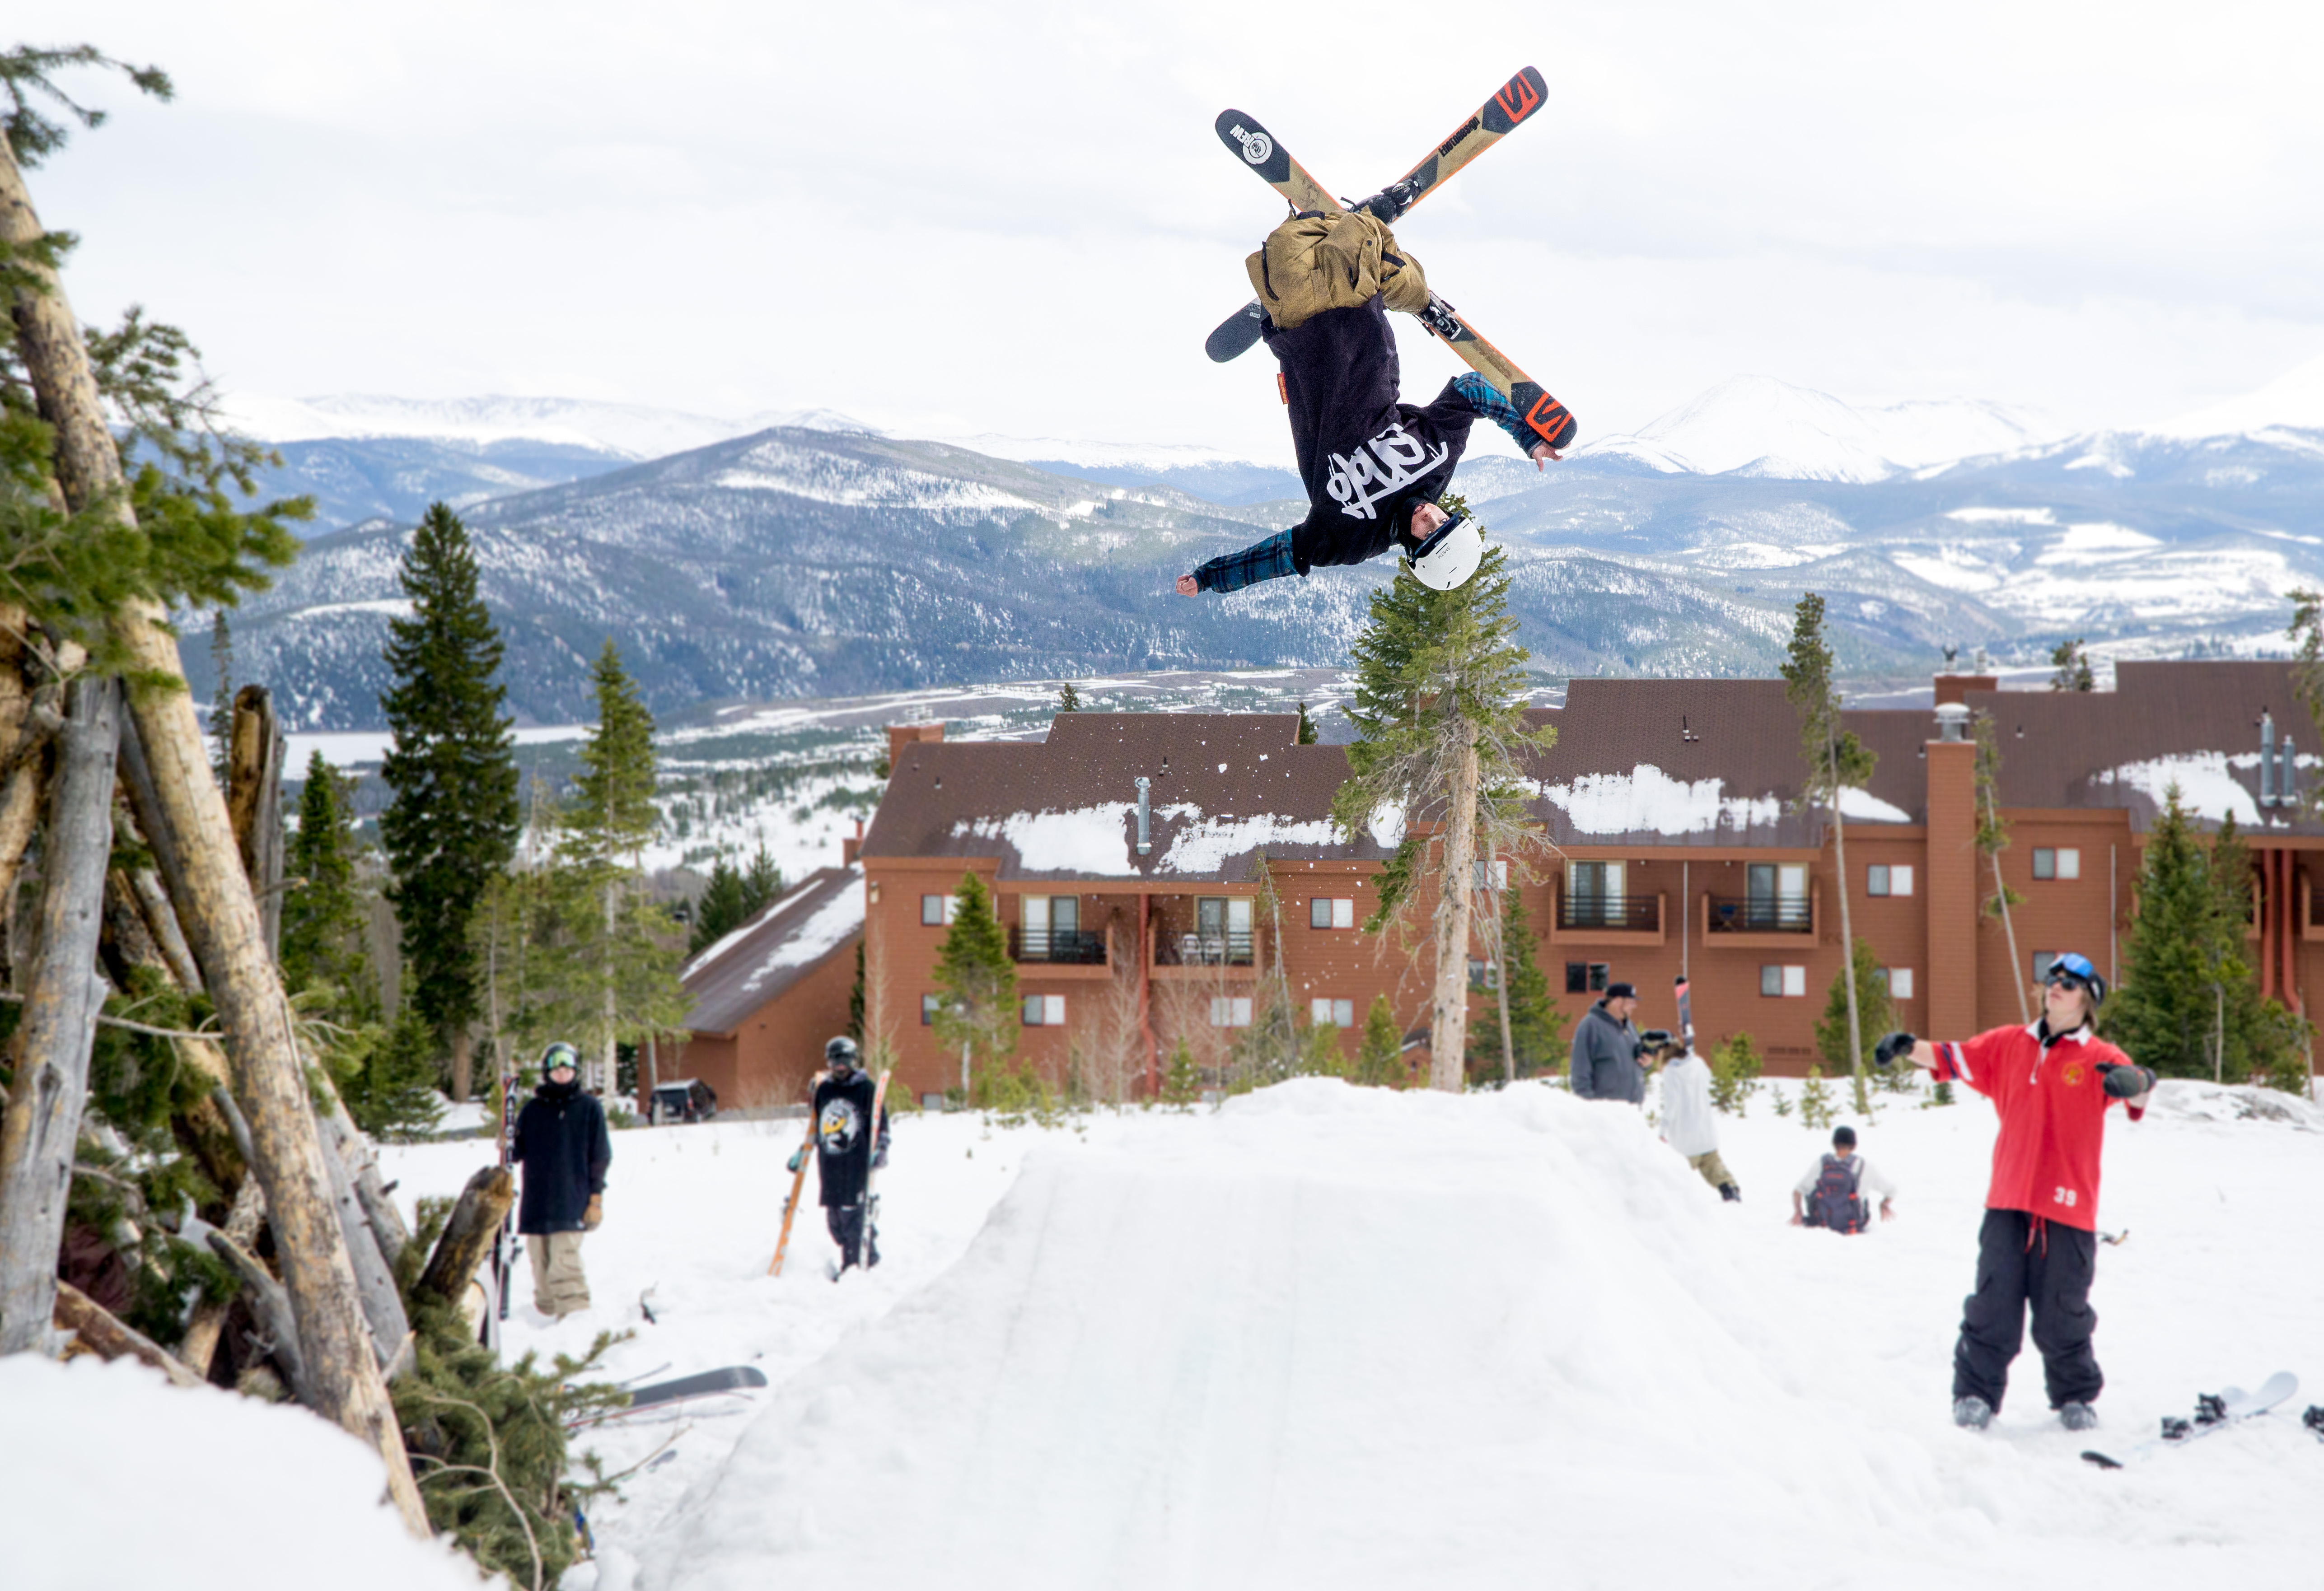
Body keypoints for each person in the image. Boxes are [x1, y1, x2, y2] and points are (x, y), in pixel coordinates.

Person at [1176, 208, 1573, 600]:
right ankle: (1390, 258)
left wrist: (1210, 578)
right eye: (1444, 520)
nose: (1430, 518)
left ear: (1414, 550)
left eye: (1428, 533)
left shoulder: (1350, 540)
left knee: (1284, 247)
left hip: (1299, 335)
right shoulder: (1437, 463)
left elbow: (1282, 556)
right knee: (1354, 235)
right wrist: (1527, 436)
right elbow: (1472, 390)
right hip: (1360, 309)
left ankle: (1367, 246)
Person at [1876, 951, 2156, 1433]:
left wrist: (2140, 1082)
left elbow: (2138, 1092)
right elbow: (1950, 1056)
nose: (2057, 987)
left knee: (2063, 1314)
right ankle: (1974, 1395)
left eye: (2070, 983)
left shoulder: (2100, 1057)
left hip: (2068, 1208)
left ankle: (2074, 1396)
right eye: (2053, 979)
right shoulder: (2008, 1044)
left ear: (2088, 1000)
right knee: (1992, 1305)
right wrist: (1907, 1045)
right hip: (2008, 1201)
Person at [511, 1041, 611, 1320]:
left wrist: (595, 1199)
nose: (563, 1072)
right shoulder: (533, 1110)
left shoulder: (589, 1108)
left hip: (571, 1200)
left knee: (564, 1265)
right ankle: (545, 1324)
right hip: (537, 1203)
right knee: (540, 1267)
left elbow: (600, 1156)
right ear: (547, 1071)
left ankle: (575, 1321)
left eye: (568, 1066)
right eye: (557, 1066)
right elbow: (516, 1152)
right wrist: (506, 1139)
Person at [809, 1035, 890, 1278]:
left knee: (854, 1218)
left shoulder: (866, 1089)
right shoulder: (824, 1090)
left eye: (845, 1060)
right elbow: (817, 1124)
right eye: (835, 1060)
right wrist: (802, 1152)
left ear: (853, 1060)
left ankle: (856, 1268)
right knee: (835, 1223)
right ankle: (865, 1256)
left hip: (856, 1165)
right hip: (830, 1165)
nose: (840, 1065)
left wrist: (882, 1149)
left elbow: (881, 1123)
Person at [1657, 1039, 1740, 1200]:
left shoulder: (1671, 1072)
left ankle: (1673, 1200)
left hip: (1684, 1138)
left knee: (1674, 1171)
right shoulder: (1698, 1062)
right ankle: (1729, 1189)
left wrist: (1662, 1130)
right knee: (1713, 1165)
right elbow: (1709, 1078)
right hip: (1705, 1132)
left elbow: (1671, 1105)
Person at [1788, 1125, 1896, 1232]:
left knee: (1812, 1192)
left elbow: (1798, 1191)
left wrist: (1798, 1212)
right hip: (1854, 1225)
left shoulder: (1822, 1163)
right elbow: (1892, 1191)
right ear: (1855, 1146)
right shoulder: (1865, 1166)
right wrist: (1884, 1204)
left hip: (1822, 1223)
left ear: (1834, 1144)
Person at [1570, 981, 1650, 1103]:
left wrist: (1646, 1064)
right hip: (1605, 1113)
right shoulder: (1591, 1026)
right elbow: (1580, 1071)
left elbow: (1630, 1064)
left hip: (1632, 1110)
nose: (1634, 1006)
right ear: (1617, 1001)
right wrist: (1588, 1106)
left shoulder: (1630, 1027)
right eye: (1631, 1002)